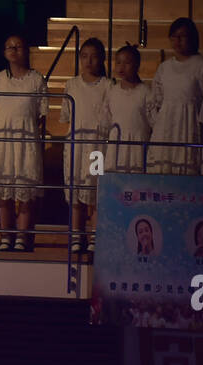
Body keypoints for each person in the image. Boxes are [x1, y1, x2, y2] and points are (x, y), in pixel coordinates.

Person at [0, 32, 46, 252]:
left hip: (26, 139)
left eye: (18, 46)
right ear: (4, 52)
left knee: (25, 189)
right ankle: (5, 235)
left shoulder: (36, 79)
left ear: (26, 50)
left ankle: (22, 235)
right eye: (10, 47)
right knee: (3, 190)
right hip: (2, 138)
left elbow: (41, 114)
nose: (14, 50)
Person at [146, 18, 203, 175]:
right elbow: (155, 99)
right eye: (174, 36)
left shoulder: (201, 65)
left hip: (189, 126)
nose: (178, 40)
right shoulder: (165, 67)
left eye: (183, 36)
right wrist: (159, 123)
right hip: (165, 128)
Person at [60, 37, 108, 256]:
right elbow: (66, 117)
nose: (89, 61)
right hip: (76, 144)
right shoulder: (71, 84)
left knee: (95, 191)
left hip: (97, 147)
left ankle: (95, 236)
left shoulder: (108, 85)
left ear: (102, 59)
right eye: (85, 56)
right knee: (76, 189)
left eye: (94, 56)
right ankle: (76, 235)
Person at [103, 44, 150, 175]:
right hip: (117, 144)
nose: (121, 67)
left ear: (137, 65)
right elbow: (107, 118)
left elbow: (152, 120)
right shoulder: (113, 91)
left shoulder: (145, 92)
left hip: (138, 144)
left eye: (127, 62)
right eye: (118, 62)